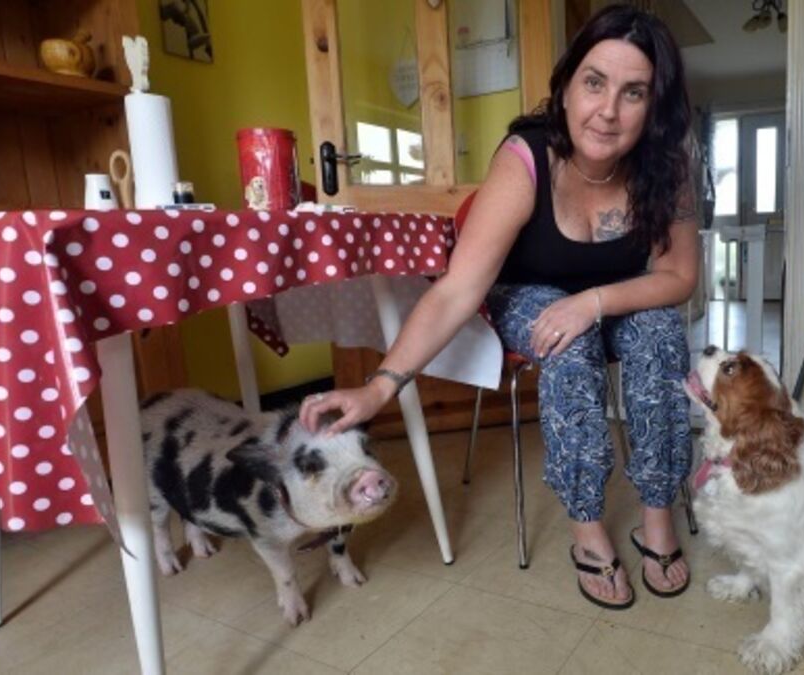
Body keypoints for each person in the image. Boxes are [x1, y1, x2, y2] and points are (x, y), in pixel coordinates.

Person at [299, 4, 698, 610]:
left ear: (655, 105)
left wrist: (593, 301)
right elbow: (457, 290)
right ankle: (588, 530)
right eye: (594, 83)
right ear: (567, 85)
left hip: (613, 298)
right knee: (567, 338)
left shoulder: (667, 168)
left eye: (633, 92)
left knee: (660, 331)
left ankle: (657, 519)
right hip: (524, 293)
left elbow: (679, 277)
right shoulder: (525, 158)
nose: (608, 110)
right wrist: (380, 388)